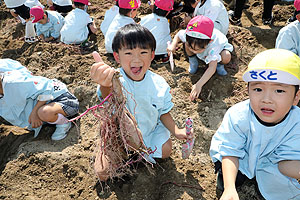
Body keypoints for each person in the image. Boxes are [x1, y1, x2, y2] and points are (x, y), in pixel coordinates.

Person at [91, 23, 192, 181]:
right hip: (119, 137)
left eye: (143, 52)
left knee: (166, 150)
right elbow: (107, 98)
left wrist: (177, 131)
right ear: (117, 56)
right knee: (103, 174)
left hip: (148, 133)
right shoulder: (115, 79)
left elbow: (163, 112)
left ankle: (139, 154)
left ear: (152, 55)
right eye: (129, 53)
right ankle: (118, 152)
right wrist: (104, 83)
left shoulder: (159, 84)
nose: (136, 59)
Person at [209, 49, 300, 200]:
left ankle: (261, 178)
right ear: (248, 91)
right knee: (229, 180)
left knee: (275, 186)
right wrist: (229, 188)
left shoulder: (296, 123)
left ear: (296, 97)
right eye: (258, 89)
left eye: (279, 90)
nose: (267, 99)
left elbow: (286, 163)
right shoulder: (238, 115)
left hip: (273, 164)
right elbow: (230, 150)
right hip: (241, 159)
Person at [0, 59, 79, 140]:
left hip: (63, 101)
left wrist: (35, 113)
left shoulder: (13, 83)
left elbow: (47, 89)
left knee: (44, 112)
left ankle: (64, 123)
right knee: (39, 114)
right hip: (44, 105)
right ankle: (49, 118)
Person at [167, 15, 233, 101]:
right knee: (187, 45)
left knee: (226, 56)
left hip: (218, 52)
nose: (194, 51)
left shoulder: (214, 45)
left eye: (197, 49)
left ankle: (220, 65)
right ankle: (193, 61)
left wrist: (198, 85)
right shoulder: (190, 36)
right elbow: (178, 35)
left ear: (209, 42)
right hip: (202, 50)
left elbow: (211, 68)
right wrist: (173, 45)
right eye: (192, 48)